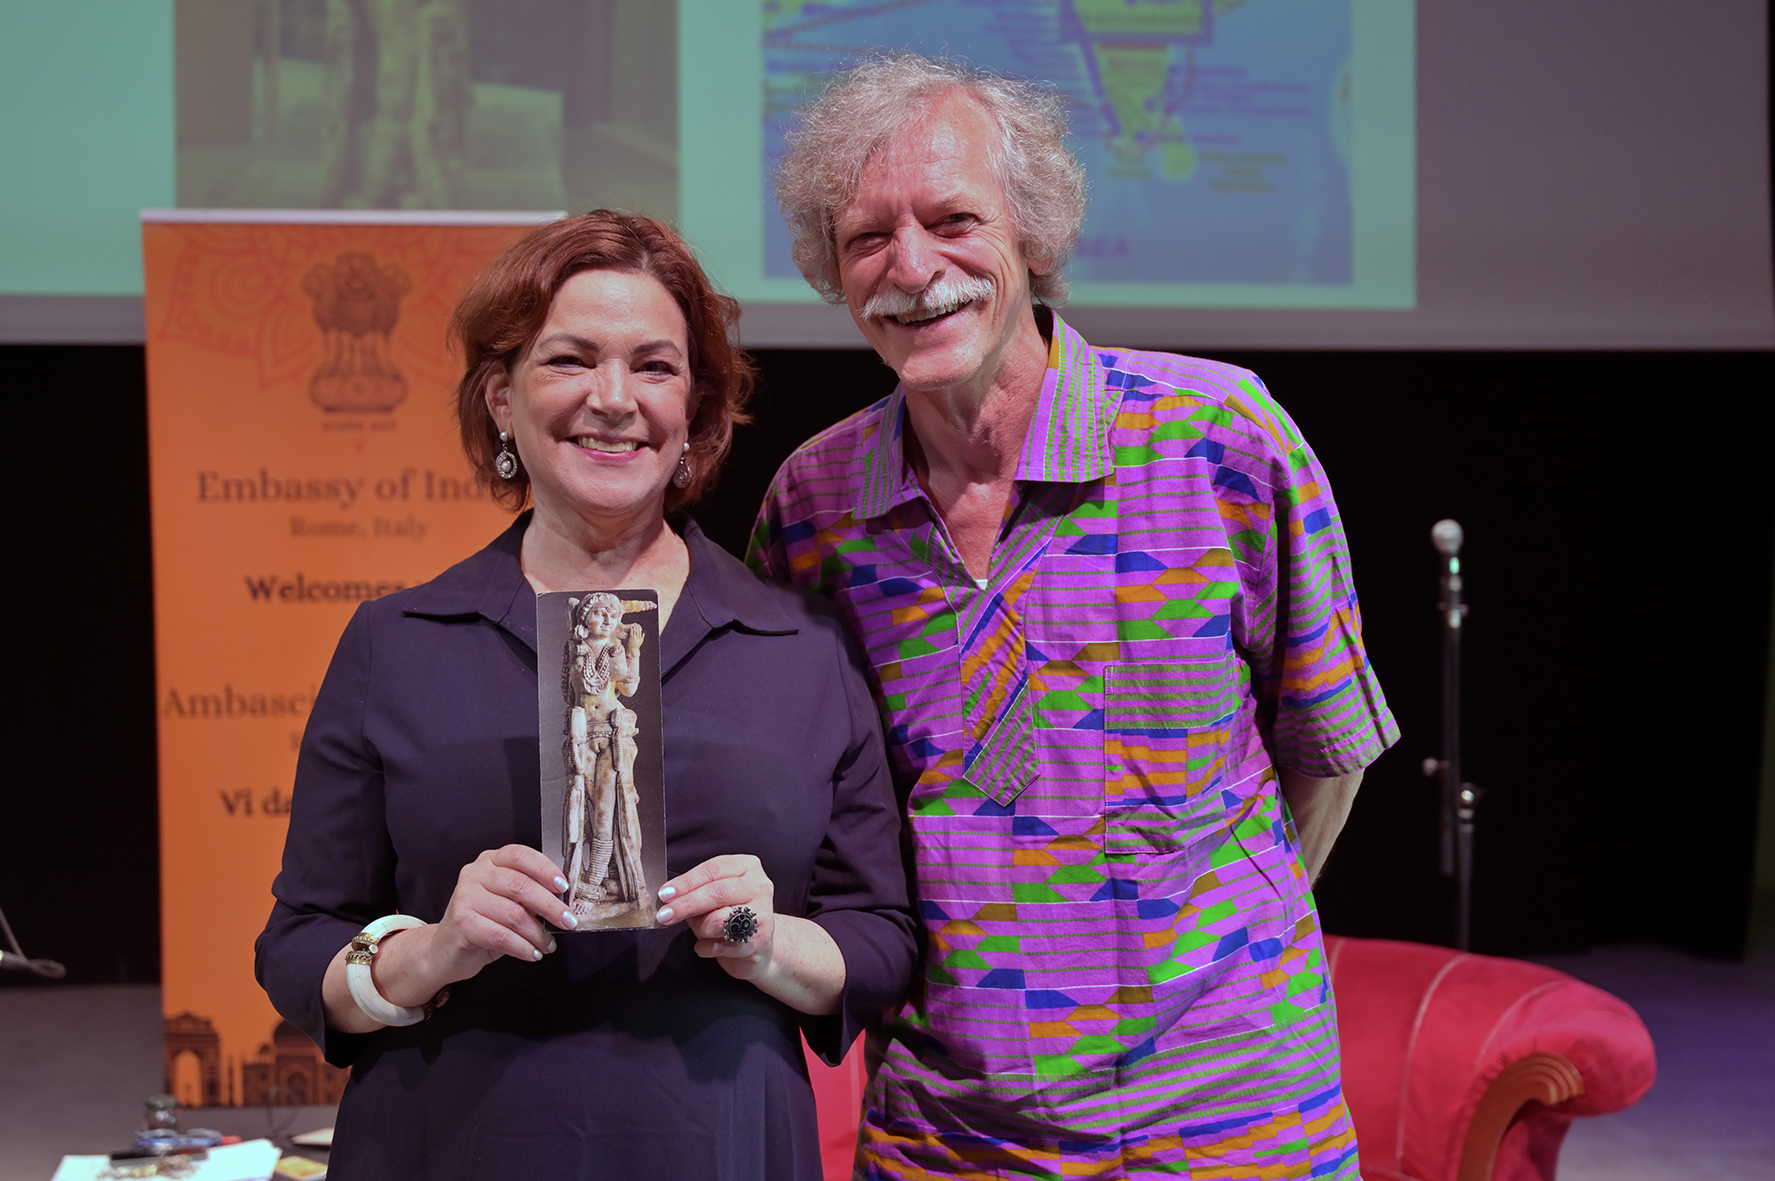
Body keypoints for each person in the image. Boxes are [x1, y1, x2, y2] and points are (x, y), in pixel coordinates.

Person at [750, 55, 1400, 1179]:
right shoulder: (815, 506)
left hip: (1231, 1120)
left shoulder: (1217, 441)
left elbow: (1326, 752)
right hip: (948, 1130)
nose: (913, 267)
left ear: (1033, 229)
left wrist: (1213, 957)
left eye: (953, 219)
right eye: (866, 237)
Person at [257, 211, 917, 1180]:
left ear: (693, 410)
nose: (613, 399)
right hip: (449, 1141)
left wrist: (767, 940)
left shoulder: (802, 646)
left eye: (653, 366)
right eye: (570, 359)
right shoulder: (396, 643)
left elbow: (881, 937)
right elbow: (296, 944)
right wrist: (432, 949)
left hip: (718, 1145)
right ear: (501, 397)